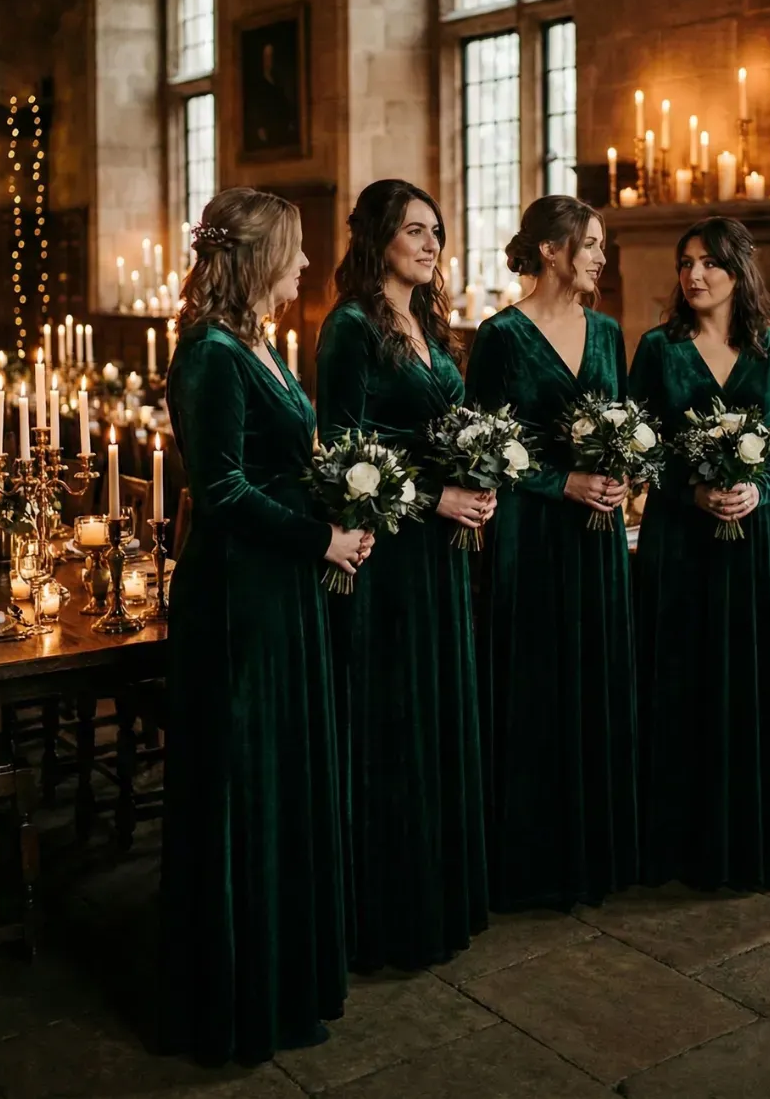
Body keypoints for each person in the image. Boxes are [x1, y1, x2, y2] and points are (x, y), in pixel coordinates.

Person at [160, 187, 370, 1065]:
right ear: (254, 259)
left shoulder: (257, 343)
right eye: (294, 250)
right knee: (244, 782)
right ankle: (236, 998)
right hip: (240, 599)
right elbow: (224, 492)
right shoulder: (209, 353)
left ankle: (286, 977)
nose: (308, 266)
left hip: (281, 592)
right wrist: (324, 533)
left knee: (283, 777)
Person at [315, 178, 490, 972]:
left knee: (440, 709)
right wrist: (436, 494)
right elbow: (344, 458)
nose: (430, 245)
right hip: (387, 556)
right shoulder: (349, 328)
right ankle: (386, 915)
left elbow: (442, 427)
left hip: (441, 556)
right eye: (415, 231)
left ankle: (439, 894)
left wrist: (483, 471)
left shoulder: (423, 320)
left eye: (437, 233)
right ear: (378, 237)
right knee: (396, 720)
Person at [464, 196, 639, 911]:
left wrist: (624, 472)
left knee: (594, 675)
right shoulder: (500, 336)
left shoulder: (607, 333)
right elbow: (481, 448)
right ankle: (530, 863)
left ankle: (592, 853)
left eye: (601, 245)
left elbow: (623, 426)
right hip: (530, 539)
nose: (600, 256)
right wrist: (560, 480)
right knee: (534, 683)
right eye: (591, 244)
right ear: (550, 250)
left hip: (596, 538)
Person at [629, 215, 770, 892]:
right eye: (685, 263)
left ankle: (753, 841)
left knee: (752, 683)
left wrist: (760, 490)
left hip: (757, 544)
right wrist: (691, 490)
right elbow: (639, 444)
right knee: (683, 679)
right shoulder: (658, 349)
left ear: (739, 272)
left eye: (709, 263)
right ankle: (677, 847)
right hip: (681, 542)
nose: (694, 275)